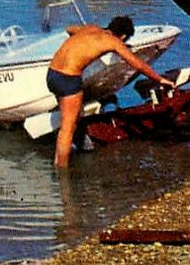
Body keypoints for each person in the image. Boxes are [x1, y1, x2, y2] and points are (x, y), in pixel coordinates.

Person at [47, 16, 174, 170]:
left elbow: (69, 29)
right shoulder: (113, 42)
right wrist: (160, 79)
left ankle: (71, 152)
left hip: (52, 74)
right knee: (67, 127)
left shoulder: (90, 29)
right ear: (124, 36)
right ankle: (61, 171)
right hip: (68, 79)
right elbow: (138, 65)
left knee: (72, 119)